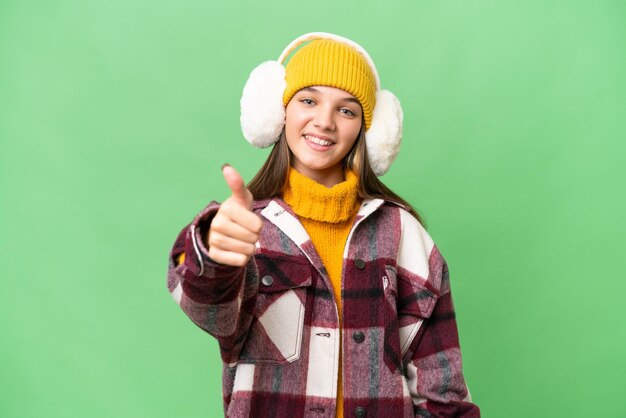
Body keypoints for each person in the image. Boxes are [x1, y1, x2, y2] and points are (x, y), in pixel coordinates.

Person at [167, 32, 480, 418]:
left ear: (368, 130)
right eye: (309, 100)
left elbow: (443, 393)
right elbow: (206, 307)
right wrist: (213, 255)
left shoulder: (402, 234)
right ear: (278, 111)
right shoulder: (246, 226)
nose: (325, 121)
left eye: (346, 110)